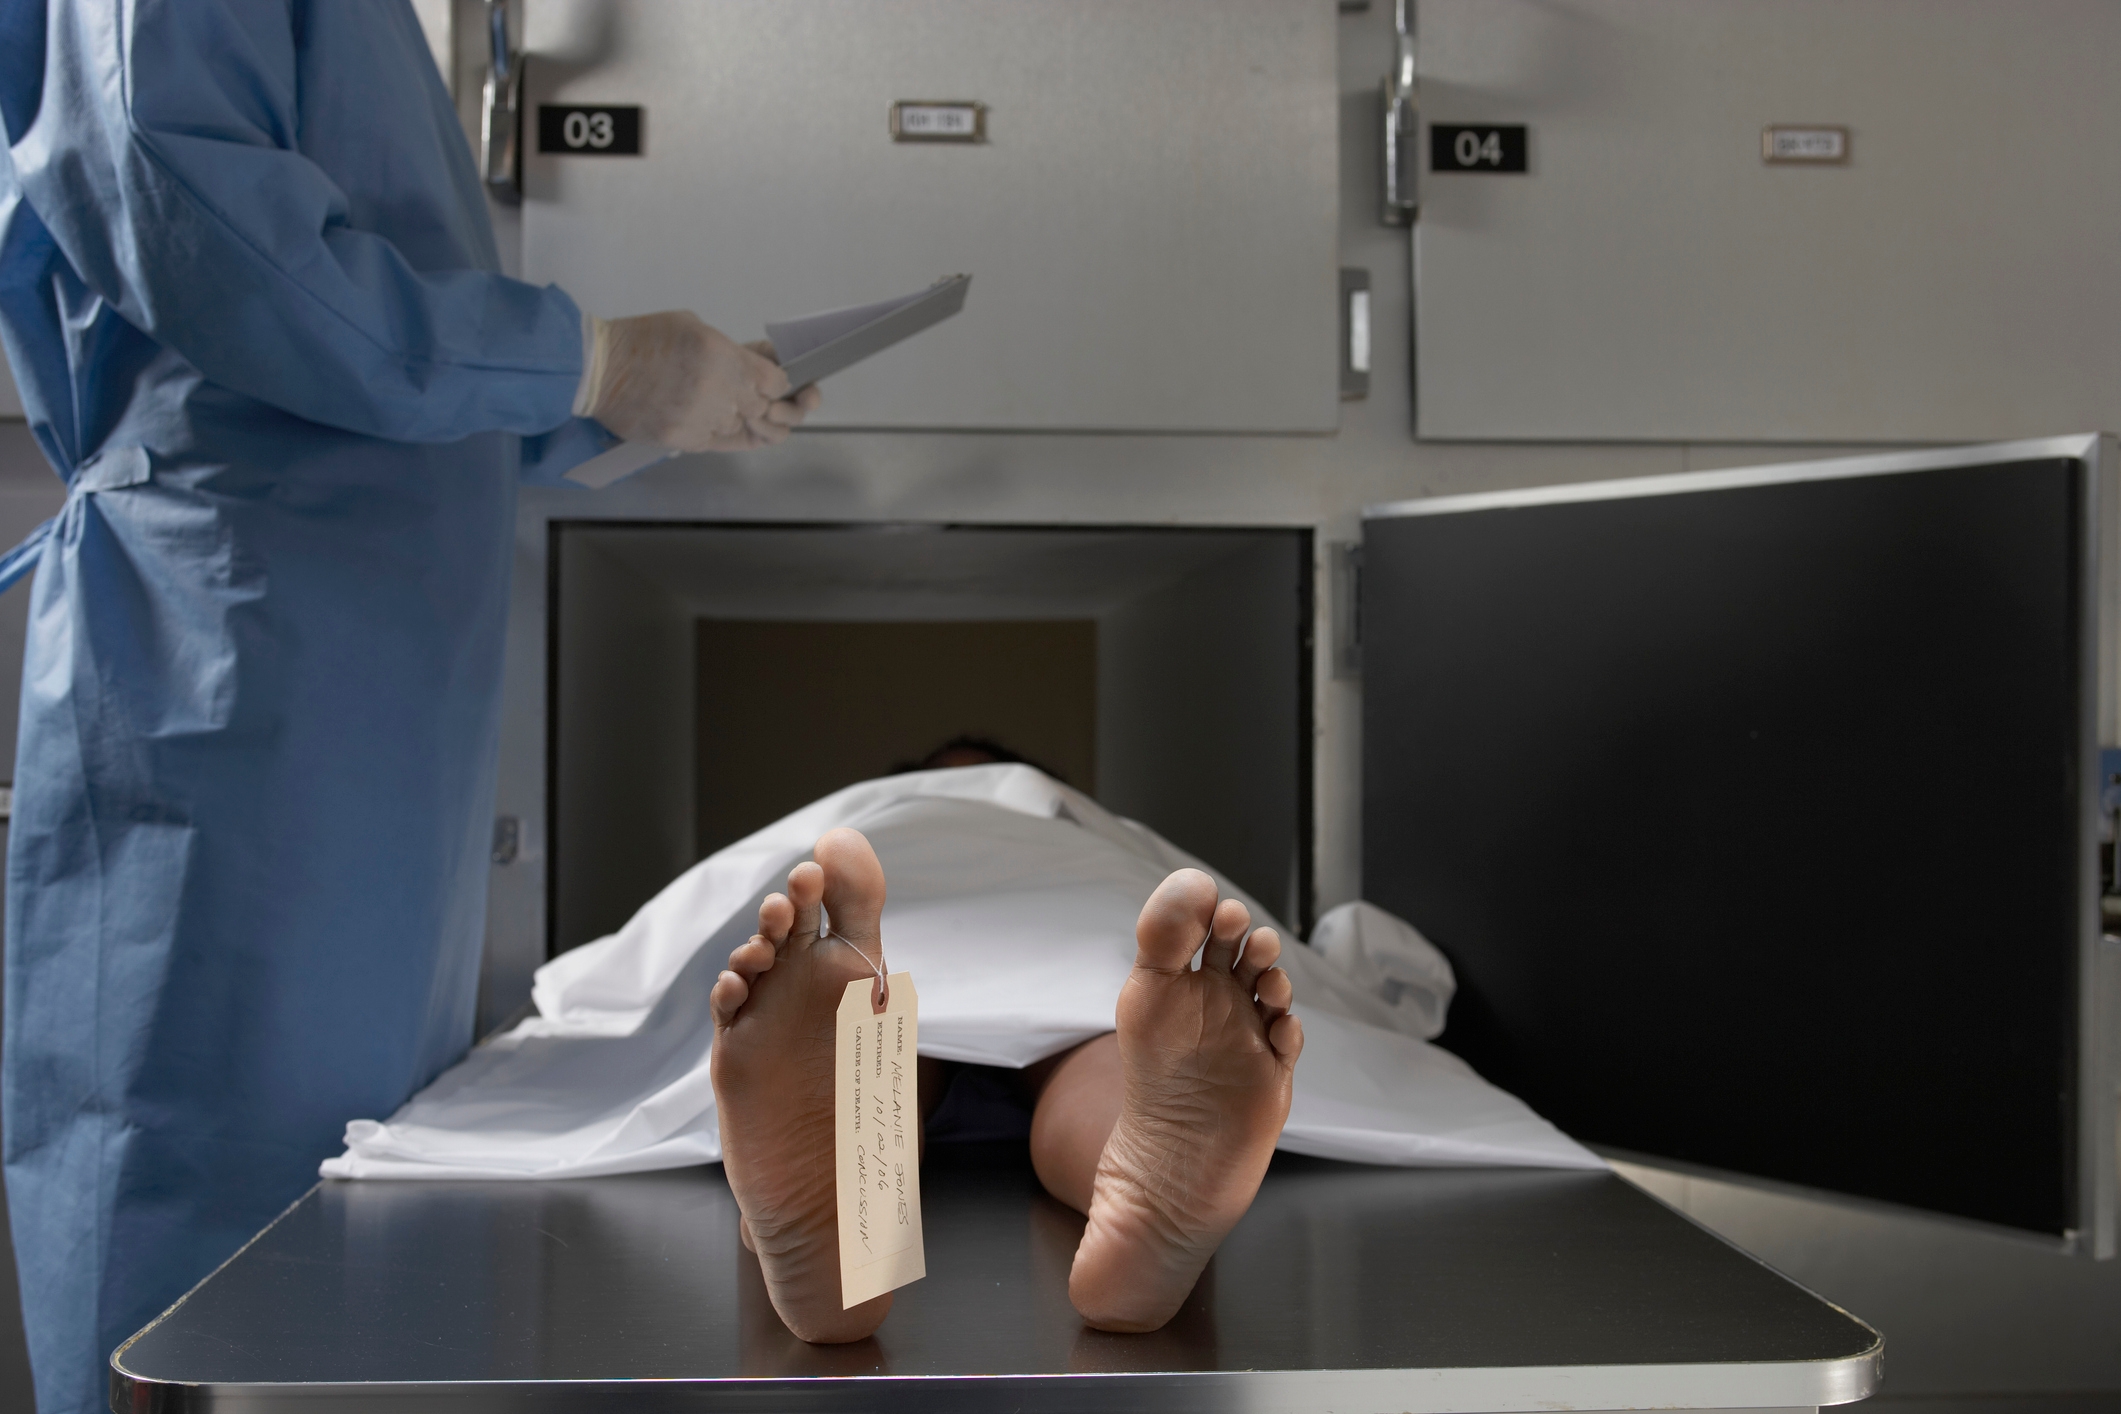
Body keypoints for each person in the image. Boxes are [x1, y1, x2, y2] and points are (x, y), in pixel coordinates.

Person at [0, 6, 814, 1410]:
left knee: (343, 1189)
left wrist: (618, 402)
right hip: (240, 658)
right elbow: (207, 236)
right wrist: (583, 363)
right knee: (206, 1211)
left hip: (353, 681)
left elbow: (356, 317)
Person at [710, 827, 1304, 1339]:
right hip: (1059, 982)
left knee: (889, 1059)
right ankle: (1141, 1201)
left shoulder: (1057, 824)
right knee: (1084, 1051)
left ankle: (841, 1192)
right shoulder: (1068, 830)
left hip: (958, 985)